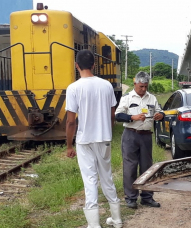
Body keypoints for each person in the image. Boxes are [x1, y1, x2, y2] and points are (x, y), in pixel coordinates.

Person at [65, 49, 122, 228]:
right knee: (107, 177)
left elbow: (71, 121)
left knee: (89, 180)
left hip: (84, 140)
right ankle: (117, 219)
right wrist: (108, 131)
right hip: (103, 138)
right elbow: (112, 114)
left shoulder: (73, 88)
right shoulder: (106, 86)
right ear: (93, 65)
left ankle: (94, 224)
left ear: (76, 66)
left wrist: (68, 145)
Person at [115, 71, 164, 209]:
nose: (143, 89)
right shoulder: (127, 98)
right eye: (141, 86)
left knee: (147, 168)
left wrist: (160, 115)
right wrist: (132, 117)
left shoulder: (152, 98)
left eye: (145, 86)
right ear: (134, 83)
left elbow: (160, 111)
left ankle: (147, 197)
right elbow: (118, 115)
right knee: (130, 167)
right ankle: (131, 198)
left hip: (146, 136)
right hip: (131, 135)